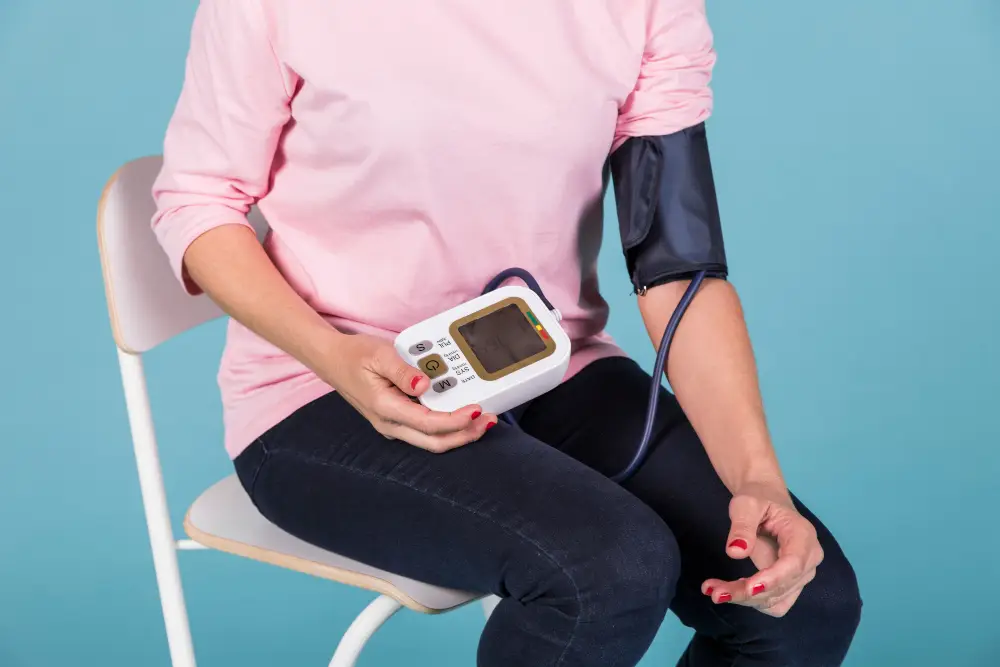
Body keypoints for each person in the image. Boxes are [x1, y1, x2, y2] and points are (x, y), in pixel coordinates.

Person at [151, 1, 862, 665]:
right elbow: (198, 200)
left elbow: (678, 268)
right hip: (323, 389)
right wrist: (332, 353)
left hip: (549, 365)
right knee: (609, 570)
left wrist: (757, 476)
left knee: (802, 600)